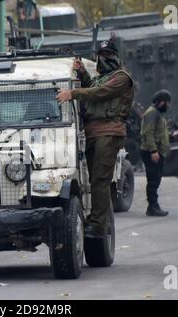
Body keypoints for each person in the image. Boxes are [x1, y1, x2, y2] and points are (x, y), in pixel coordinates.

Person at [56, 39, 134, 237]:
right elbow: (93, 86)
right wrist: (82, 72)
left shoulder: (122, 78)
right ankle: (99, 221)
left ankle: (98, 225)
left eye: (109, 54)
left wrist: (72, 93)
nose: (104, 58)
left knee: (100, 181)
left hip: (109, 132)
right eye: (102, 54)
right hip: (94, 134)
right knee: (95, 182)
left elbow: (99, 93)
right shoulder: (104, 77)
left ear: (117, 56)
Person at [140, 90, 171, 217]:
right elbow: (148, 133)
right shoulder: (152, 113)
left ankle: (154, 205)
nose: (169, 106)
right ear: (161, 102)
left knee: (156, 179)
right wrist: (153, 151)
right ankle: (152, 206)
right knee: (153, 180)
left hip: (157, 151)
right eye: (167, 103)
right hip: (151, 151)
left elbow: (158, 132)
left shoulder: (158, 113)